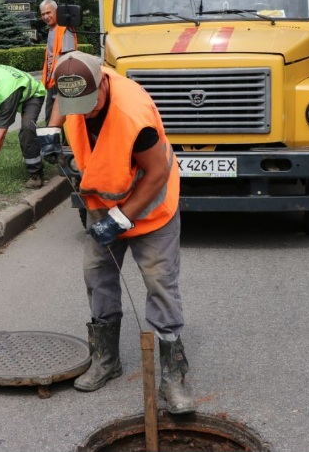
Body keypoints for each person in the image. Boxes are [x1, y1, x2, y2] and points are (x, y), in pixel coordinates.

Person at [39, 51, 195, 415]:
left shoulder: (133, 116)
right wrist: (49, 129)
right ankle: (107, 360)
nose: (86, 111)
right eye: (78, 105)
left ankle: (173, 374)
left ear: (103, 82)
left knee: (159, 282)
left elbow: (157, 172)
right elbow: (63, 101)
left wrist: (121, 219)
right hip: (101, 200)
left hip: (150, 208)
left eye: (91, 104)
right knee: (97, 275)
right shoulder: (75, 85)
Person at [40, 0, 77, 125]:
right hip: (52, 82)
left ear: (57, 12)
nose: (46, 16)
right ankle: (51, 143)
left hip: (63, 81)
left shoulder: (64, 30)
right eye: (43, 14)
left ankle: (66, 144)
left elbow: (69, 58)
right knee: (50, 118)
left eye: (48, 13)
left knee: (65, 119)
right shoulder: (51, 30)